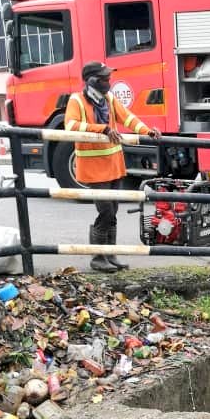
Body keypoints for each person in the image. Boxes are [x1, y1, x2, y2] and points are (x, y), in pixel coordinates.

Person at [64, 61, 161, 272]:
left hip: (114, 165)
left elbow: (127, 118)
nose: (109, 82)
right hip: (94, 168)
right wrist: (103, 129)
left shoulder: (108, 99)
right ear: (92, 81)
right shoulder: (77, 101)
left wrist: (147, 131)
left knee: (113, 210)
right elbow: (71, 125)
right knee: (106, 211)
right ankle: (98, 257)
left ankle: (110, 255)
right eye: (105, 79)